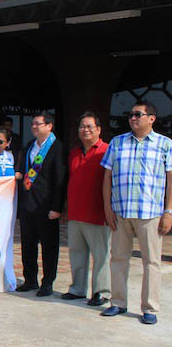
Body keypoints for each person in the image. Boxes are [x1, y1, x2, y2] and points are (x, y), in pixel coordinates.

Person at [101, 100, 172, 325]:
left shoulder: (165, 144)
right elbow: (107, 178)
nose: (133, 118)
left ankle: (149, 308)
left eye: (138, 114)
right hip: (121, 212)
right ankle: (118, 302)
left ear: (151, 118)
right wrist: (107, 208)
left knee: (151, 261)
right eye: (131, 115)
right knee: (119, 258)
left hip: (150, 213)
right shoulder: (117, 143)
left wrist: (168, 211)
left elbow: (171, 181)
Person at [14, 111, 66, 297]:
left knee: (49, 245)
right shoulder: (29, 146)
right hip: (29, 204)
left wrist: (57, 207)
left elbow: (60, 179)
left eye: (38, 123)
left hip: (47, 206)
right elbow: (22, 170)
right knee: (28, 243)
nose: (34, 127)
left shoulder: (57, 147)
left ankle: (47, 282)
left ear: (49, 126)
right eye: (32, 124)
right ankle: (30, 279)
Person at [63, 112, 110, 306]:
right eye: (82, 126)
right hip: (76, 213)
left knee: (101, 255)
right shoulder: (74, 152)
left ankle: (101, 292)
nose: (86, 130)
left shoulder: (107, 150)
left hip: (98, 214)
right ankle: (78, 289)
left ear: (99, 129)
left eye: (90, 126)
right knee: (76, 253)